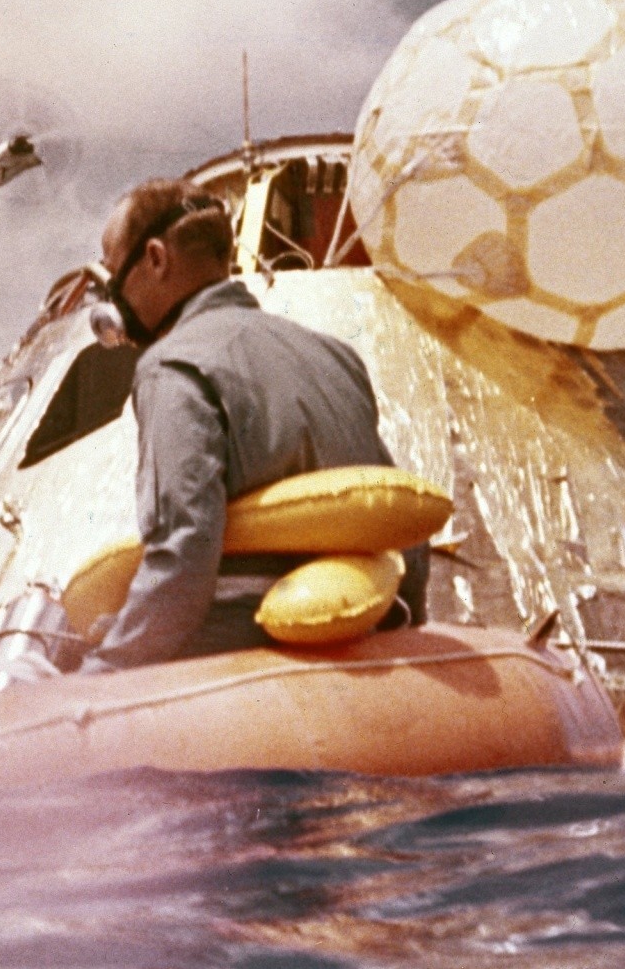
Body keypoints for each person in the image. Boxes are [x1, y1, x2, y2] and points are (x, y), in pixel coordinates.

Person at [85, 178, 427, 670]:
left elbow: (182, 555)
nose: (115, 295)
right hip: (365, 643)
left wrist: (107, 670)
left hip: (235, 646)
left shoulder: (172, 366)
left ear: (156, 259)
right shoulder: (336, 356)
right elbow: (399, 522)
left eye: (116, 273)